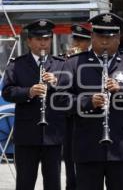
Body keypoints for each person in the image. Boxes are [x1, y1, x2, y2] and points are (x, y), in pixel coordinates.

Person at [56, 12, 123, 190]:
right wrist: (88, 101)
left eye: (110, 37)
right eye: (100, 36)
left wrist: (121, 91)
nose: (105, 41)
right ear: (92, 36)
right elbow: (60, 100)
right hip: (88, 146)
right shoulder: (74, 64)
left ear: (118, 38)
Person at [2, 19, 65, 190]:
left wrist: (57, 84)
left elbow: (70, 96)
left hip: (53, 135)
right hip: (26, 136)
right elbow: (7, 92)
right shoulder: (17, 64)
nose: (43, 43)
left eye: (46, 38)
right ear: (29, 41)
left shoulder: (61, 64)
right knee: (25, 183)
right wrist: (28, 92)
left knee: (53, 183)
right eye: (38, 39)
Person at [62, 24, 92, 190]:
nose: (78, 43)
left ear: (89, 42)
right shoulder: (64, 60)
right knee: (69, 158)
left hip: (89, 117)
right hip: (69, 117)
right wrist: (66, 62)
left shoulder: (94, 60)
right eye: (76, 39)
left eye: (82, 40)